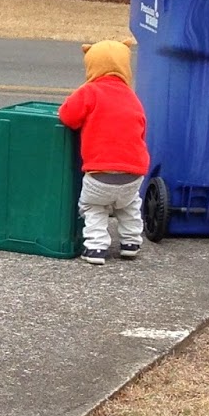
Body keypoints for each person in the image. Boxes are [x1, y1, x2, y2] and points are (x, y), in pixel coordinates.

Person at [57, 36, 149, 265]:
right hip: (134, 172)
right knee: (129, 205)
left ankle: (96, 247)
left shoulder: (90, 92)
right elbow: (141, 129)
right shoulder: (132, 97)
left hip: (100, 171)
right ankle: (131, 242)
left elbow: (67, 116)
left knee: (93, 206)